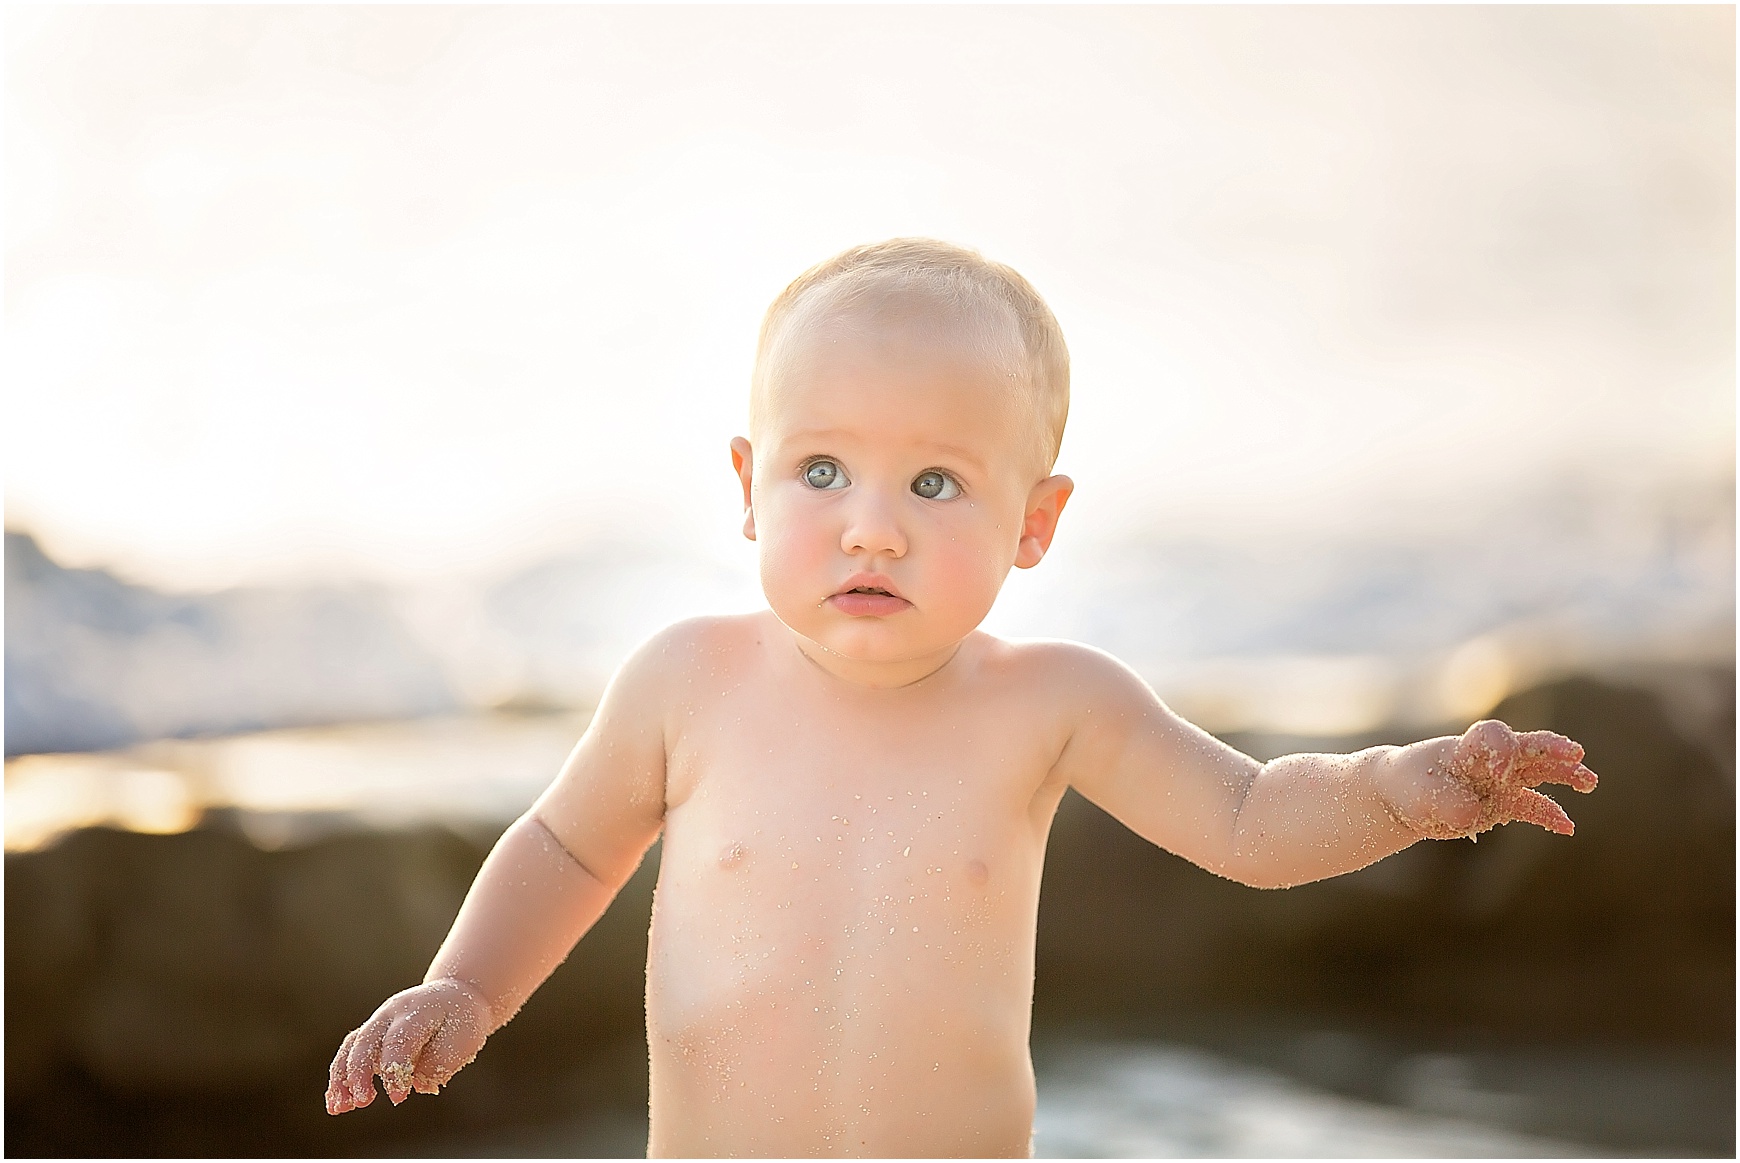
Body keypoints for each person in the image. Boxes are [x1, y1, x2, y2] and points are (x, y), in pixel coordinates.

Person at [325, 238, 1597, 1157]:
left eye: (934, 484)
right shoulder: (686, 683)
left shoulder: (1051, 704)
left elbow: (1253, 816)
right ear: (748, 481)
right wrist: (468, 986)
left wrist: (1400, 789)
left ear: (1035, 520)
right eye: (822, 468)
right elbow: (563, 844)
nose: (870, 529)